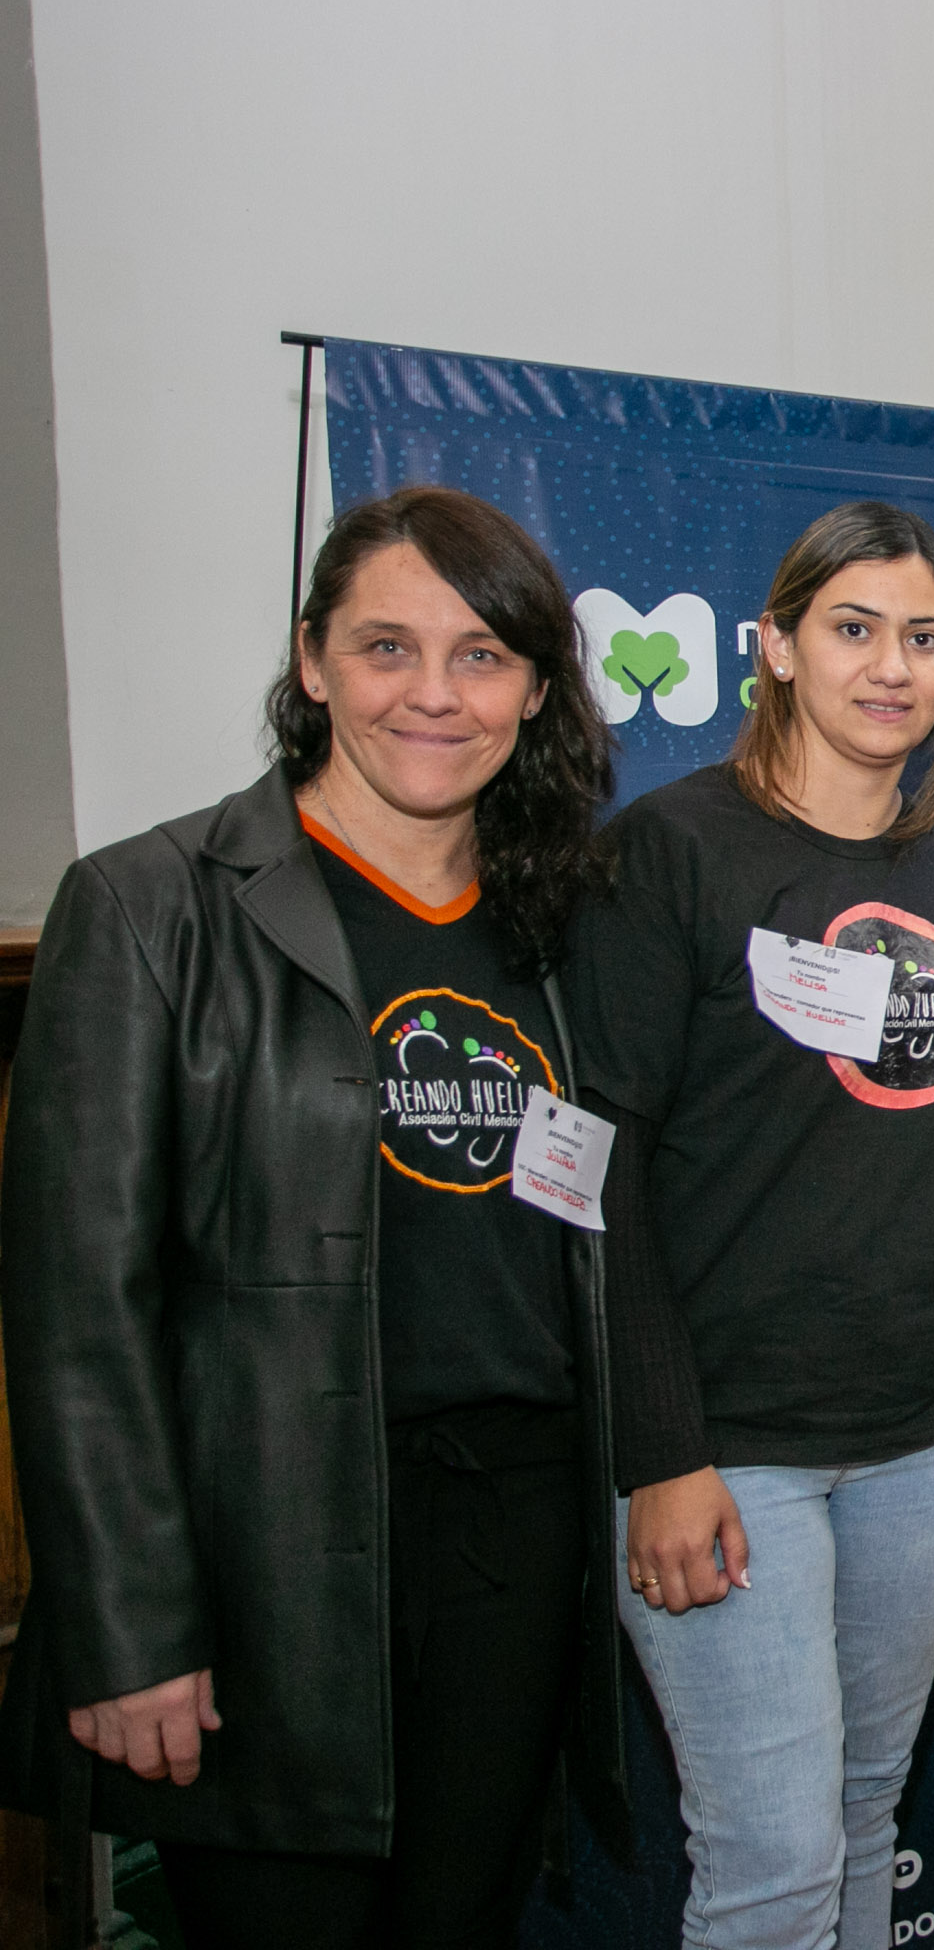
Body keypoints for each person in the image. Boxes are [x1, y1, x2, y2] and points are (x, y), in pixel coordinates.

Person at [0, 488, 626, 1948]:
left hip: (515, 1539)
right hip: (263, 1555)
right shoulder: (152, 906)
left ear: (537, 689)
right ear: (312, 661)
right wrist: (129, 1624)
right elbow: (80, 1309)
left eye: (482, 655)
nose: (434, 693)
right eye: (387, 646)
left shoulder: (561, 922)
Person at [564, 501, 934, 1950]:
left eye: (923, 637)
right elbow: (599, 1171)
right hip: (728, 1442)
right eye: (853, 628)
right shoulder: (669, 851)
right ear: (777, 646)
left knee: (867, 1812)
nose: (891, 665)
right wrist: (659, 1452)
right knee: (769, 1864)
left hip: (925, 1429)